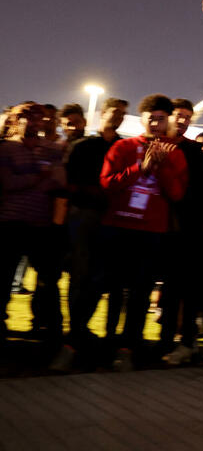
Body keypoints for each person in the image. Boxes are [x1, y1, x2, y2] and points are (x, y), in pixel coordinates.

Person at [99, 94, 188, 370]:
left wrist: (162, 168)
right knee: (115, 290)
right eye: (151, 118)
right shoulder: (123, 146)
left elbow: (177, 194)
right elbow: (107, 183)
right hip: (119, 226)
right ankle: (109, 341)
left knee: (141, 291)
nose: (155, 123)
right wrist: (141, 168)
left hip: (151, 231)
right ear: (142, 119)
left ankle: (129, 345)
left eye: (161, 119)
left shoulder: (175, 153)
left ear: (167, 121)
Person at [50, 97, 128, 370]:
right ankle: (76, 333)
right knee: (80, 277)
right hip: (84, 216)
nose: (118, 117)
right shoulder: (84, 146)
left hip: (111, 220)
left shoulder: (124, 147)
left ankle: (80, 334)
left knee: (101, 278)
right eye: (114, 112)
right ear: (102, 113)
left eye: (122, 114)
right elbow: (69, 184)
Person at [0, 103, 66, 341]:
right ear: (16, 120)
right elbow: (8, 183)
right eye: (29, 117)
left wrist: (29, 179)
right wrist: (39, 176)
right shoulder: (6, 148)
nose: (36, 122)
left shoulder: (52, 149)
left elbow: (59, 181)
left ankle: (48, 326)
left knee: (48, 279)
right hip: (11, 222)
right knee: (4, 276)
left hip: (41, 224)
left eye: (39, 117)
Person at [159, 99, 203, 365]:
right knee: (162, 288)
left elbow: (202, 191)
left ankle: (186, 341)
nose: (182, 121)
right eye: (179, 115)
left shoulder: (193, 151)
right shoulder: (154, 143)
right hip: (154, 227)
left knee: (184, 288)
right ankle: (162, 340)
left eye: (188, 117)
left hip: (184, 230)